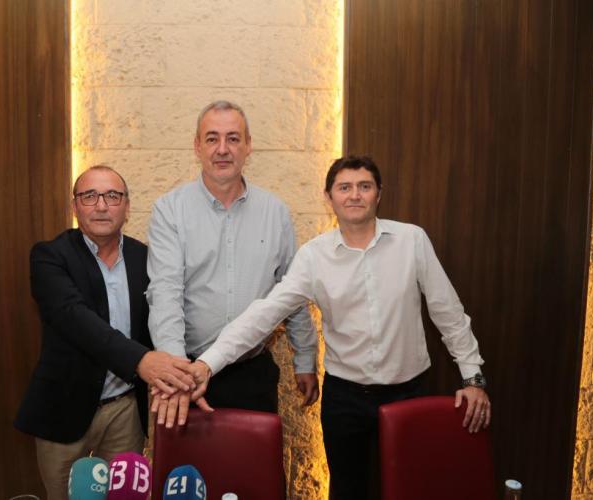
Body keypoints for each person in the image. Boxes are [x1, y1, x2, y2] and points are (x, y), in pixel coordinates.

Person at [188, 156, 492, 499]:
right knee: (348, 492)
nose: (355, 195)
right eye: (344, 187)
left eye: (365, 186)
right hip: (345, 399)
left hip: (408, 393)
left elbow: (447, 312)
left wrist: (473, 378)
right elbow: (264, 314)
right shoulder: (314, 256)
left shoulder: (412, 240)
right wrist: (207, 363)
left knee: (412, 487)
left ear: (379, 194)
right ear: (329, 197)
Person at [14, 166, 195, 500]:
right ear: (74, 206)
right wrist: (142, 361)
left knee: (124, 496)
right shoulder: (49, 256)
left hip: (124, 411)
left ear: (127, 207)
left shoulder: (146, 258)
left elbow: (166, 314)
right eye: (89, 196)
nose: (101, 205)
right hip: (63, 407)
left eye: (112, 196)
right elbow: (74, 319)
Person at [146, 100, 319, 427]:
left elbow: (291, 291)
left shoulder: (275, 212)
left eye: (233, 138)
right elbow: (165, 292)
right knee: (188, 462)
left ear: (248, 146)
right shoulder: (170, 210)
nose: (222, 149)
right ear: (197, 146)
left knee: (255, 460)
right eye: (212, 138)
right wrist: (177, 375)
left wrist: (305, 359)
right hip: (187, 371)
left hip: (252, 372)